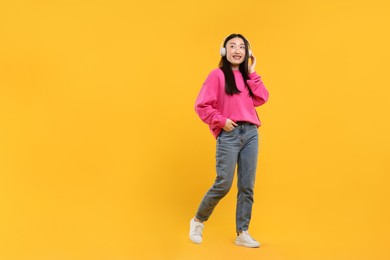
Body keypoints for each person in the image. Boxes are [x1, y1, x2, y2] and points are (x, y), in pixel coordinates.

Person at [189, 33, 269, 248]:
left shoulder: (247, 77)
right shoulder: (217, 75)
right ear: (224, 51)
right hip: (230, 133)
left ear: (247, 53)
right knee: (224, 183)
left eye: (241, 47)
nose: (237, 50)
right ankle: (198, 221)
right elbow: (202, 105)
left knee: (247, 186)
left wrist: (252, 72)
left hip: (251, 132)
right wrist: (221, 120)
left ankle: (242, 232)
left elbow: (262, 97)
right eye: (232, 46)